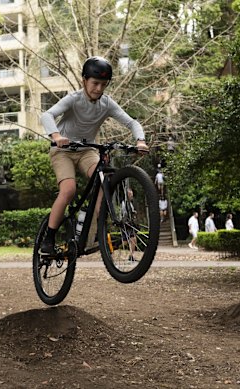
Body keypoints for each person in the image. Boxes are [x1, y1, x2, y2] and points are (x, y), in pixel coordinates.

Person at [39, 56, 149, 255]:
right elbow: (47, 115)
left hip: (87, 150)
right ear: (84, 81)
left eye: (103, 85)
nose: (98, 89)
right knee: (69, 190)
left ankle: (99, 223)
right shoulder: (74, 98)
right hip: (62, 150)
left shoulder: (106, 104)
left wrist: (140, 140)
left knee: (104, 179)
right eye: (95, 83)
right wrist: (56, 135)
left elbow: (132, 122)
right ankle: (49, 237)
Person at [121, 188, 137, 262]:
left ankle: (131, 255)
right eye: (130, 194)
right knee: (126, 241)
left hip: (130, 224)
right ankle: (129, 255)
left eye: (132, 194)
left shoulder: (130, 203)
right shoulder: (124, 203)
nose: (131, 195)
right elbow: (123, 213)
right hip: (126, 224)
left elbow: (132, 211)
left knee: (133, 239)